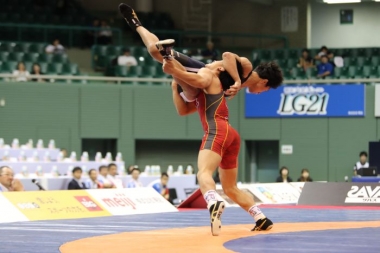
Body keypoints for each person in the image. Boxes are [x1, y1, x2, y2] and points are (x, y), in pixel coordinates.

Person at [163, 58, 274, 235]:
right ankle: (260, 217)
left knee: (204, 172)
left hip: (216, 130)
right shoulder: (201, 92)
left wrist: (174, 72)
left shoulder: (209, 80)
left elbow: (195, 73)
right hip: (231, 134)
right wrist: (175, 85)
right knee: (230, 187)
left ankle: (212, 200)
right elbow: (183, 110)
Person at [118, 3, 283, 101]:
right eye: (266, 90)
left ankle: (166, 54)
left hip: (197, 87)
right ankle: (136, 24)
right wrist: (237, 81)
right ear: (264, 82)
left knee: (157, 53)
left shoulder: (238, 89)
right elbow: (227, 56)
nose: (261, 93)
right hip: (198, 70)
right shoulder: (246, 68)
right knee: (155, 51)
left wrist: (228, 92)